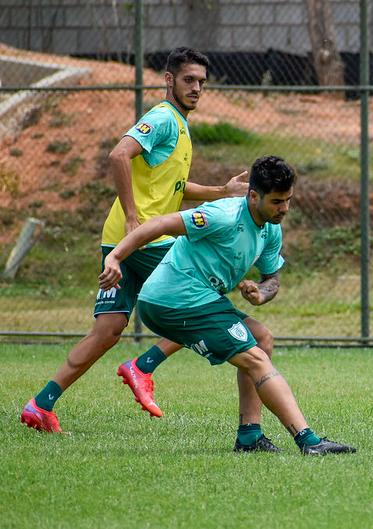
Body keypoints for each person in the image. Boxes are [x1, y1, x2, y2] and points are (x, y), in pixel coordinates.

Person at [21, 46, 248, 433]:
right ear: (169, 79)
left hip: (121, 242)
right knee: (205, 303)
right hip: (142, 238)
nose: (196, 88)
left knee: (107, 331)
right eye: (189, 80)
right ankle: (142, 366)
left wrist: (221, 191)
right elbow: (118, 155)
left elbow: (173, 187)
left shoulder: (179, 124)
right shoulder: (162, 117)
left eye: (202, 82)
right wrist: (131, 216)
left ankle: (41, 404)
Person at [97, 155, 356, 455]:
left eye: (288, 200)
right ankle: (309, 441)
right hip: (174, 300)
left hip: (200, 300)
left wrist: (261, 294)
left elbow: (272, 277)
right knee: (256, 360)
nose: (284, 208)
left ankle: (249, 436)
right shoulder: (223, 215)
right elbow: (159, 223)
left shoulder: (271, 227)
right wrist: (115, 257)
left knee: (262, 338)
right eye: (276, 202)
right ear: (253, 195)